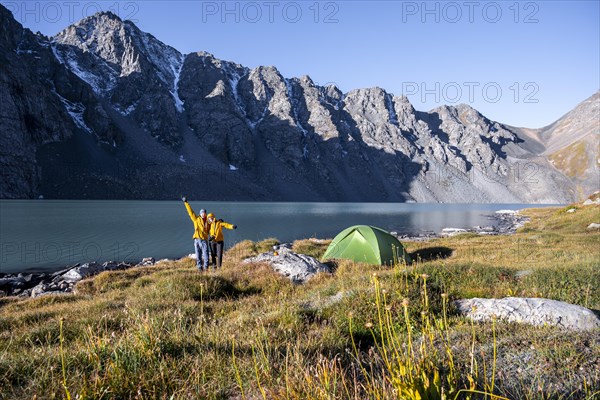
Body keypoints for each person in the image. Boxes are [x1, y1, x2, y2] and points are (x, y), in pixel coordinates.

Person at [181, 197, 211, 271]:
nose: (203, 214)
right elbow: (190, 212)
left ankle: (206, 267)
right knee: (198, 255)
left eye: (204, 213)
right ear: (200, 214)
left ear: (205, 213)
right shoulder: (196, 219)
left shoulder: (208, 221)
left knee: (206, 254)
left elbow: (213, 227)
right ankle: (199, 268)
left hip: (204, 240)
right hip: (197, 239)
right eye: (201, 213)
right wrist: (186, 202)